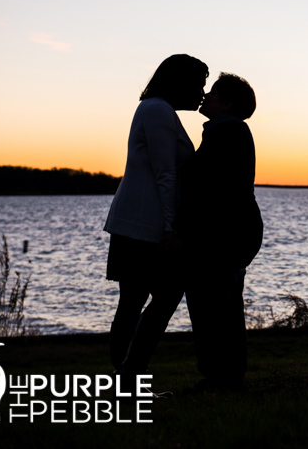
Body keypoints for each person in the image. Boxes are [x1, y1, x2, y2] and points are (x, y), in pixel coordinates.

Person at [103, 54, 208, 378]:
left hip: (139, 223)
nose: (202, 93)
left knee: (135, 302)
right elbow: (165, 174)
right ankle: (128, 374)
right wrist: (171, 227)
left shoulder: (156, 111)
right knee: (152, 299)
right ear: (181, 83)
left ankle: (128, 374)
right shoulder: (158, 111)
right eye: (199, 85)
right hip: (143, 226)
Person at [178, 72, 263, 391]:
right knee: (221, 303)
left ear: (227, 103)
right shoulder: (225, 132)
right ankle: (227, 375)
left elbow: (209, 191)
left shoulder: (227, 133)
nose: (205, 96)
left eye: (212, 92)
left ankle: (222, 376)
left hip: (225, 234)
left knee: (211, 304)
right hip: (233, 232)